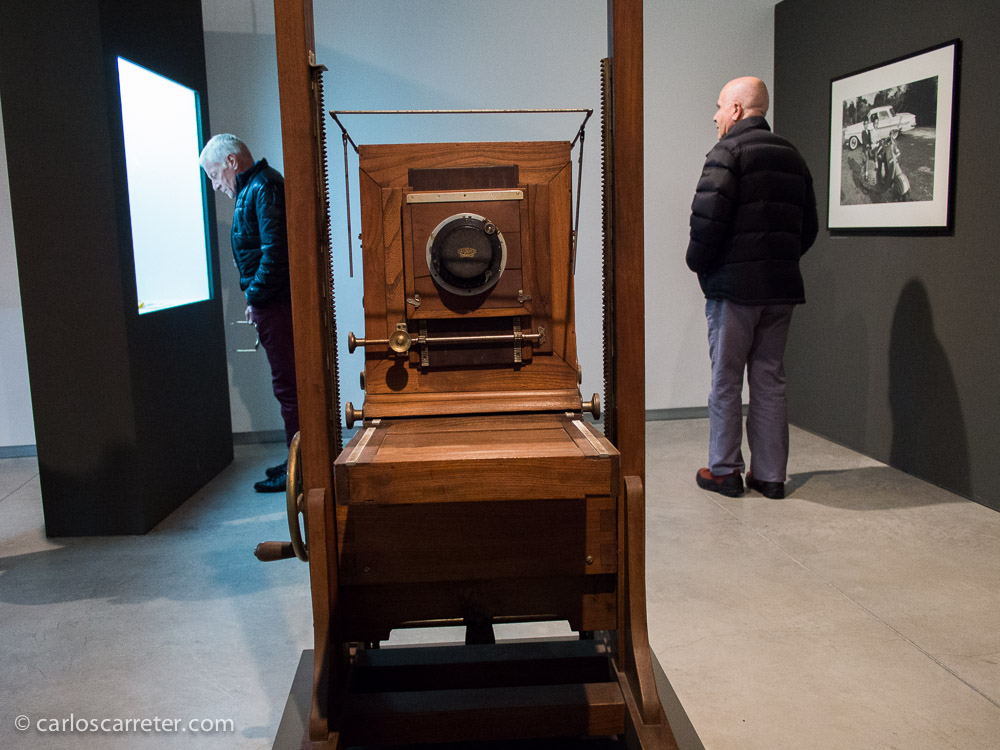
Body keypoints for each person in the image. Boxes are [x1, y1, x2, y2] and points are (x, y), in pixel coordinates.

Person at [686, 77, 818, 499]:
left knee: (726, 380)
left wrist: (699, 265)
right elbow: (809, 228)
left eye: (720, 106)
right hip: (780, 291)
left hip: (734, 291)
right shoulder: (793, 156)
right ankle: (770, 476)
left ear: (738, 110)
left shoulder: (727, 152)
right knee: (769, 379)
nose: (715, 115)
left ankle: (725, 471)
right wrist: (780, 261)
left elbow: (706, 221)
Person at [200, 134, 298, 493]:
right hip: (273, 302)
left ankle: (302, 467)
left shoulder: (263, 187)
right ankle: (297, 459)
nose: (215, 185)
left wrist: (255, 298)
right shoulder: (257, 188)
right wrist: (256, 298)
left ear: (231, 161)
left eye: (214, 175)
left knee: (289, 386)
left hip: (276, 304)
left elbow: (275, 254)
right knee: (287, 386)